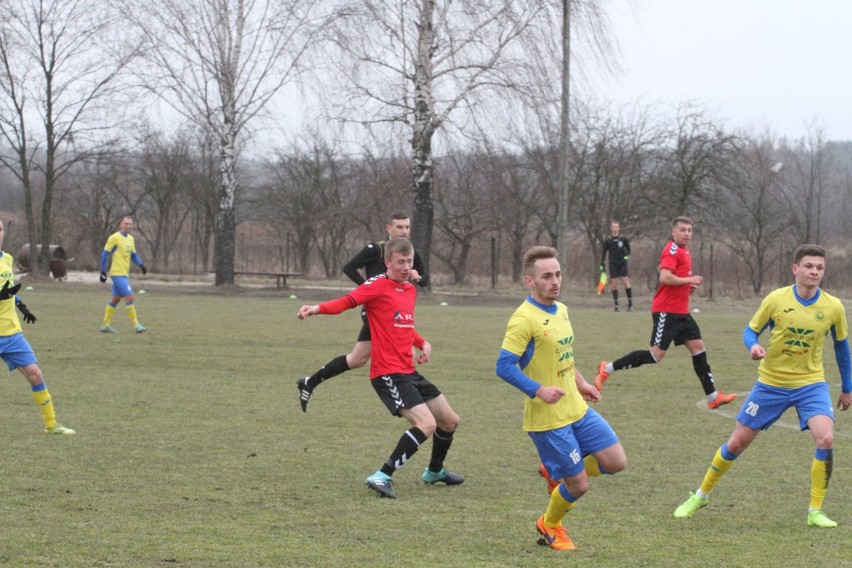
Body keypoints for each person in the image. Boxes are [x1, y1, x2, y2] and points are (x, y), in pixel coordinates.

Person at [674, 244, 850, 528]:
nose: (814, 272)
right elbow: (750, 330)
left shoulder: (833, 306)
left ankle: (815, 510)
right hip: (770, 384)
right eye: (809, 266)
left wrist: (848, 386)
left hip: (810, 384)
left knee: (826, 439)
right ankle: (700, 495)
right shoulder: (776, 299)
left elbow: (842, 347)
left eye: (820, 268)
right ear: (795, 269)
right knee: (737, 442)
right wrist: (753, 345)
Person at [297, 237, 462, 499]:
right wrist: (315, 309)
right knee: (426, 424)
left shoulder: (409, 290)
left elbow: (403, 324)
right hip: (388, 373)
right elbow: (346, 302)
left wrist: (422, 343)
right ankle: (381, 475)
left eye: (409, 261)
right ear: (387, 263)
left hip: (408, 370)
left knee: (450, 420)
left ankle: (434, 471)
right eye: (400, 262)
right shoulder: (376, 286)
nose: (406, 267)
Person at [496, 245, 626, 551]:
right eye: (546, 276)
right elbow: (503, 366)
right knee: (579, 484)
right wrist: (538, 390)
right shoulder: (523, 319)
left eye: (557, 274)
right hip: (548, 418)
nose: (555, 281)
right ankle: (550, 525)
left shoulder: (562, 310)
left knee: (616, 461)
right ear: (530, 281)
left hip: (576, 409)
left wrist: (580, 382)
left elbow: (564, 356)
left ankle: (556, 471)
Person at [594, 216, 737, 409]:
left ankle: (713, 398)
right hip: (667, 312)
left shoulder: (684, 251)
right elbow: (665, 277)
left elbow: (676, 278)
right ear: (674, 232)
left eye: (689, 230)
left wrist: (687, 287)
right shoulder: (672, 250)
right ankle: (607, 368)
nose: (687, 233)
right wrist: (688, 281)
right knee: (655, 355)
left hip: (682, 312)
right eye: (683, 230)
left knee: (698, 348)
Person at [296, 213, 428, 412]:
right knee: (400, 350)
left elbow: (425, 280)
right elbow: (349, 268)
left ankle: (309, 382)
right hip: (376, 310)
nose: (404, 231)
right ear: (388, 229)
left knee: (356, 359)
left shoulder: (410, 251)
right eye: (399, 227)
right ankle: (413, 403)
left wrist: (417, 277)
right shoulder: (375, 249)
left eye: (407, 227)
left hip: (394, 310)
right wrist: (368, 291)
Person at [0, 220, 75, 435]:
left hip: (11, 332)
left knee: (35, 374)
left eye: (0, 229)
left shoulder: (7, 259)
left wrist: (21, 305)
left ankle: (51, 425)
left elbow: (8, 290)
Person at [99, 215, 147, 333]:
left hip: (124, 273)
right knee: (129, 296)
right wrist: (102, 271)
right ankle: (136, 325)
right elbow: (105, 254)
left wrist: (141, 265)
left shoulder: (130, 239)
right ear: (121, 224)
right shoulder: (114, 238)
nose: (128, 226)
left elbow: (133, 255)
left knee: (115, 299)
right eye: (126, 223)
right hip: (116, 273)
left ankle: (105, 325)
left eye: (130, 224)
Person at [600, 220, 632, 312]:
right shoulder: (608, 240)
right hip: (613, 263)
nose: (615, 229)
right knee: (614, 283)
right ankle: (616, 305)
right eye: (613, 227)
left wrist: (626, 257)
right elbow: (604, 252)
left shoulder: (623, 238)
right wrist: (602, 262)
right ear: (611, 228)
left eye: (616, 227)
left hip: (622, 263)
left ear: (619, 228)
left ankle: (630, 304)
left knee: (626, 281)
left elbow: (629, 250)